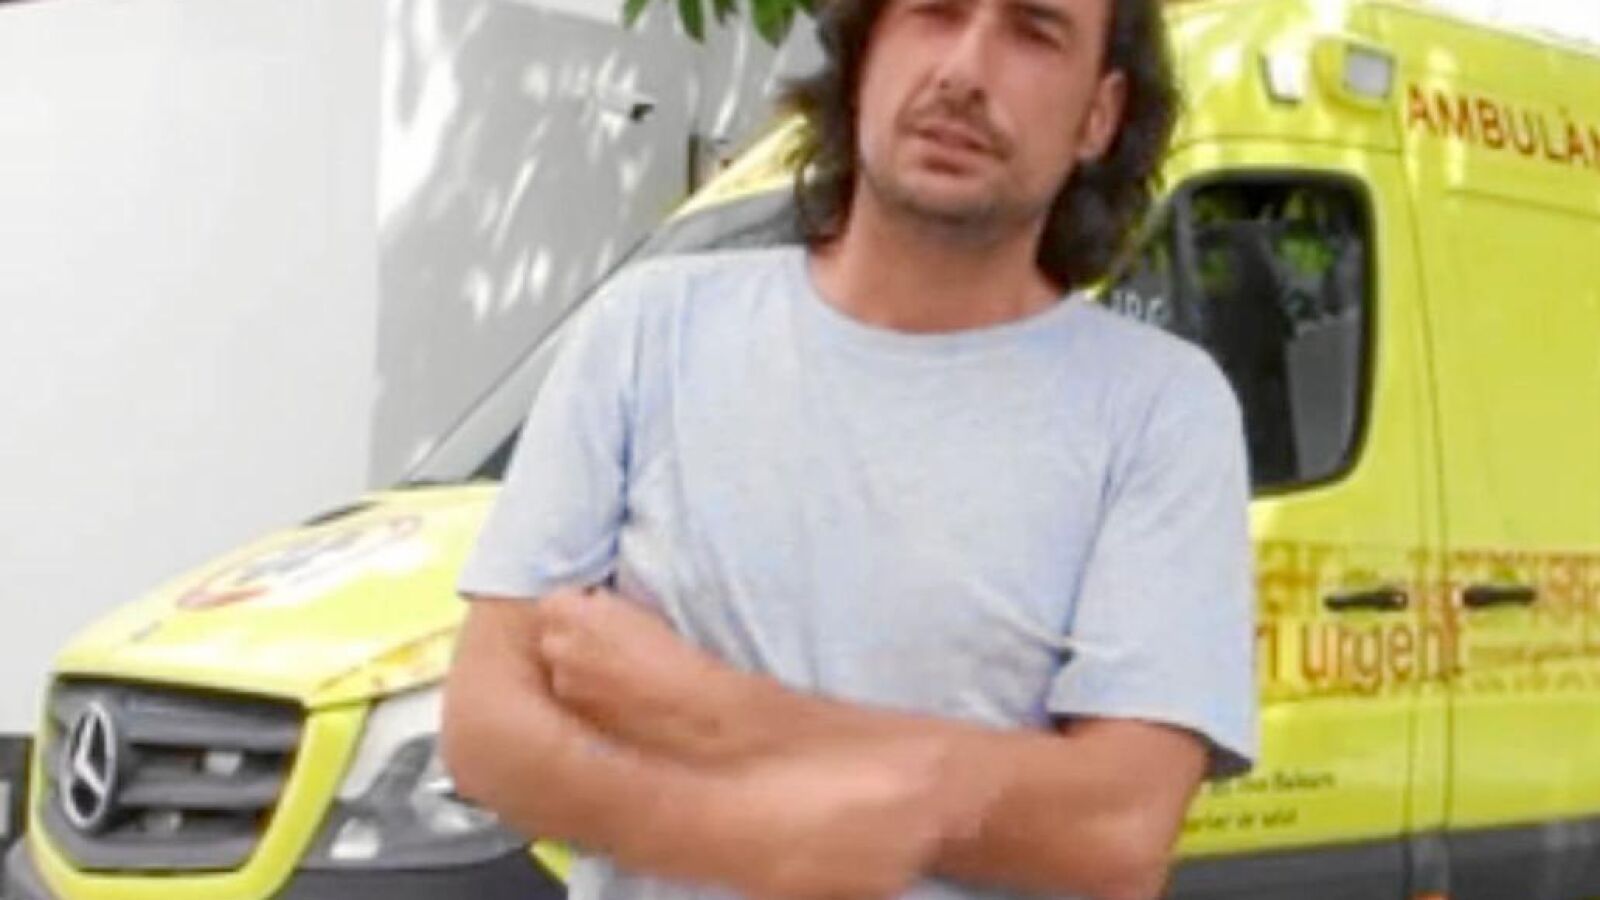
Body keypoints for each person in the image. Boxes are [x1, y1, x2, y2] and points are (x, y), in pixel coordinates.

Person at [442, 0, 1257, 897]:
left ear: (1099, 116)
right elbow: (487, 728)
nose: (964, 71)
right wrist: (743, 837)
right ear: (864, 55)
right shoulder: (650, 329)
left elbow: (1116, 829)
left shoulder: (1159, 410)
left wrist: (711, 714)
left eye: (1033, 31)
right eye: (934, 14)